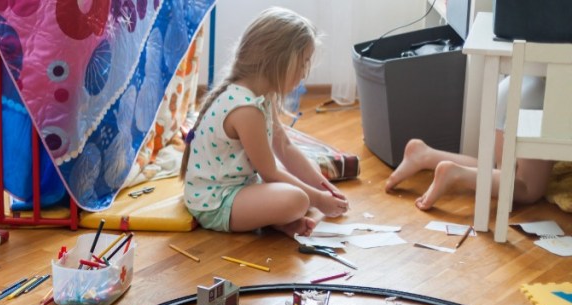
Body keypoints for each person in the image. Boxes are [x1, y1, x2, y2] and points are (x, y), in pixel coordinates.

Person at [180, 7, 348, 238]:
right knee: (298, 200)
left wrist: (324, 188)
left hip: (243, 187)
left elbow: (286, 148)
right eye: (303, 63)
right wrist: (318, 200)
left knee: (310, 171)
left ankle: (278, 222)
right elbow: (269, 173)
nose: (304, 73)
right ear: (278, 61)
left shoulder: (263, 95)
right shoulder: (246, 109)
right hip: (216, 202)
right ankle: (277, 218)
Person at [385, 76, 556, 210]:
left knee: (502, 173)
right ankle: (456, 173)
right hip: (537, 100)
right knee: (527, 189)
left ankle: (425, 155)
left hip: (515, 83)